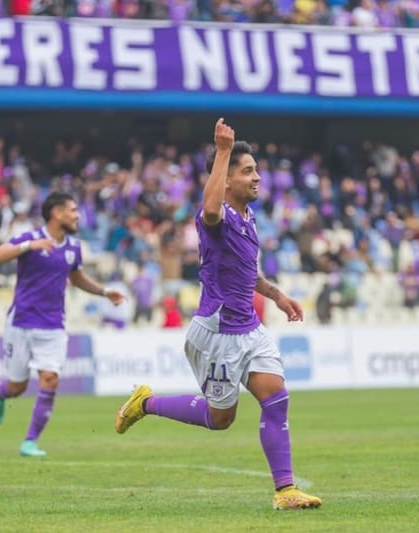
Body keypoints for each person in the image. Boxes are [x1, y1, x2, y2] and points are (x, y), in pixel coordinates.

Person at [114, 119, 322, 510]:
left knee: (276, 397)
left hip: (249, 328)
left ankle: (285, 491)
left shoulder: (247, 217)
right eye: (248, 171)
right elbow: (209, 209)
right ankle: (146, 403)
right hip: (218, 333)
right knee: (220, 418)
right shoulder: (217, 216)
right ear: (226, 179)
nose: (258, 177)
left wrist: (276, 294)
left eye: (257, 170)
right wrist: (223, 152)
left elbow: (247, 270)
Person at [0, 192, 125, 457]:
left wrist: (104, 292)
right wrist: (30, 246)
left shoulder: (73, 248)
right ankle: (1, 393)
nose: (77, 215)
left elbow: (77, 278)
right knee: (18, 386)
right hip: (21, 322)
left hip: (53, 325)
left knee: (49, 380)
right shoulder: (32, 237)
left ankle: (29, 442)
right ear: (57, 213)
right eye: (73, 210)